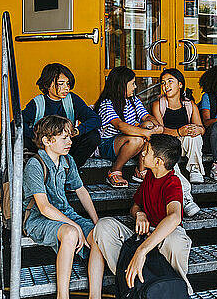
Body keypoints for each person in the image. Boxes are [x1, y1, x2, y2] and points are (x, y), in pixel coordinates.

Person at [87, 134, 193, 299]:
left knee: (176, 241)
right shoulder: (150, 176)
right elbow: (135, 206)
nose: (142, 154)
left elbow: (174, 217)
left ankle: (173, 288)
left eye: (147, 152)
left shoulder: (173, 182)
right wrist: (139, 213)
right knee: (103, 226)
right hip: (142, 234)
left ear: (158, 161)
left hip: (164, 235)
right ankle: (132, 280)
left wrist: (141, 251)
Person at [22, 115, 99, 299]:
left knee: (99, 236)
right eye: (64, 137)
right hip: (38, 219)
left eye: (70, 137)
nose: (70, 142)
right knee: (71, 233)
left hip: (65, 214)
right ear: (47, 141)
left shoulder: (68, 161)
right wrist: (76, 226)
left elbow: (81, 191)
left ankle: (94, 296)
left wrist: (96, 222)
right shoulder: (35, 164)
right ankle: (62, 296)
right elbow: (44, 207)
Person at [94, 66, 163, 188]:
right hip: (107, 144)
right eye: (132, 84)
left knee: (148, 125)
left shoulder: (133, 100)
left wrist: (156, 126)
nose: (135, 87)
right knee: (137, 138)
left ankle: (140, 170)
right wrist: (146, 133)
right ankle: (114, 171)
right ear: (121, 85)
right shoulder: (106, 103)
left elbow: (146, 117)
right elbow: (120, 125)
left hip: (130, 141)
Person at [22, 63, 101, 169]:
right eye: (61, 84)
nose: (66, 88)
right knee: (22, 138)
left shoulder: (72, 99)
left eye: (68, 84)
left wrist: (77, 130)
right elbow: (17, 124)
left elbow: (95, 119)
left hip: (66, 145)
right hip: (45, 146)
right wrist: (37, 136)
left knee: (93, 136)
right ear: (47, 85)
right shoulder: (37, 102)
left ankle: (71, 169)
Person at [151, 68, 202, 217]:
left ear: (180, 84)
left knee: (195, 136)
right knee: (169, 157)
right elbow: (159, 131)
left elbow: (202, 128)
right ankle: (186, 198)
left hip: (185, 143)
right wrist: (179, 132)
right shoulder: (158, 105)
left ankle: (195, 170)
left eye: (170, 81)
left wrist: (197, 130)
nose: (166, 85)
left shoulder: (189, 105)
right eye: (163, 82)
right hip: (167, 143)